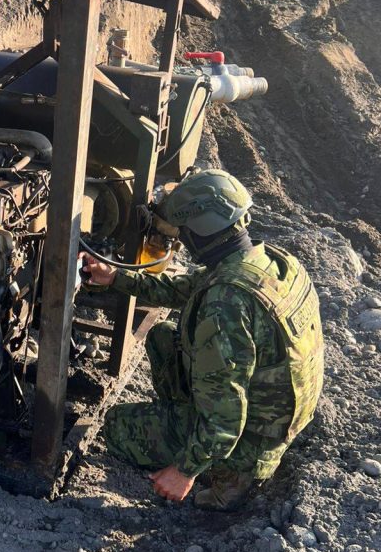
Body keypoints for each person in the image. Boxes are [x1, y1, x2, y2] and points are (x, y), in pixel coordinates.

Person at [82, 170, 323, 511]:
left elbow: (227, 413)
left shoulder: (226, 304)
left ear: (200, 231)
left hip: (248, 442)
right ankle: (188, 425)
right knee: (164, 337)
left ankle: (229, 477)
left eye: (182, 232)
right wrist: (115, 277)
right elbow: (181, 288)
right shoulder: (269, 262)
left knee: (117, 426)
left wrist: (184, 470)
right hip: (276, 421)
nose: (179, 240)